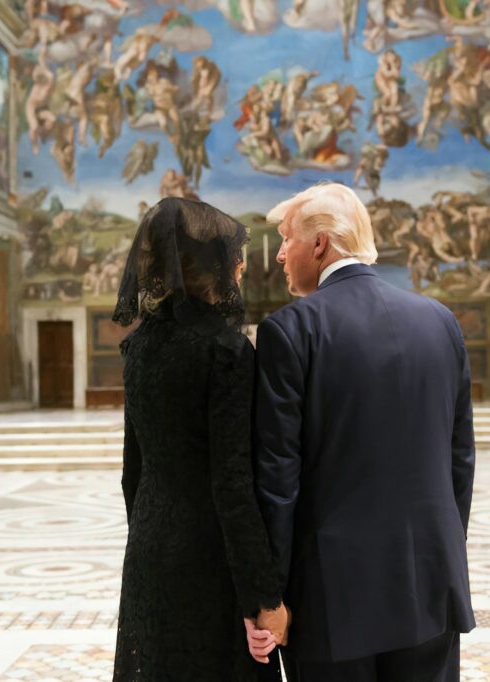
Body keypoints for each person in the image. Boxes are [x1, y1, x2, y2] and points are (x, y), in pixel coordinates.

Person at [248, 183, 476, 681]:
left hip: (334, 598)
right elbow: (460, 460)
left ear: (320, 244)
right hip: (432, 586)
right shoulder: (440, 321)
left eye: (287, 238)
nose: (280, 253)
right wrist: (444, 555)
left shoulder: (291, 330)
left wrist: (271, 598)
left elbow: (278, 479)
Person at [112, 198, 290, 680]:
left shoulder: (139, 345)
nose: (239, 267)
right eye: (234, 257)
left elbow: (133, 472)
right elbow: (233, 484)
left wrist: (150, 535)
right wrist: (263, 595)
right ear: (214, 267)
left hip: (150, 546)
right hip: (208, 555)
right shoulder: (225, 351)